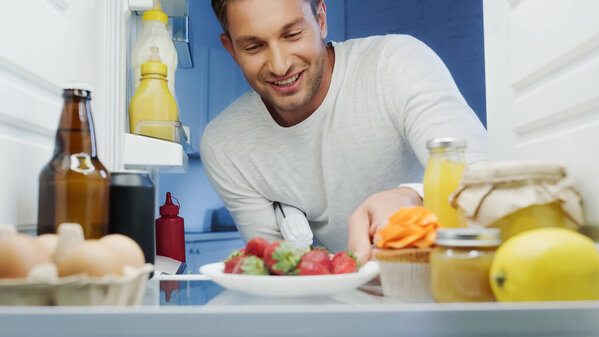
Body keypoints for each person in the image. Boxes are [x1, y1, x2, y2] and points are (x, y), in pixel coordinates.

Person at [201, 0, 487, 263]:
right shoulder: (225, 146)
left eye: (292, 35)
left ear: (321, 19)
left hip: (437, 280)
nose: (280, 65)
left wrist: (416, 198)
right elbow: (280, 270)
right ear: (232, 50)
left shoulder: (396, 63)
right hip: (334, 303)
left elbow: (485, 185)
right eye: (254, 47)